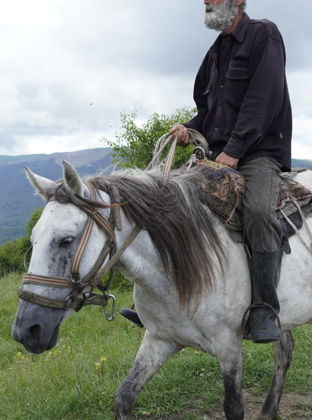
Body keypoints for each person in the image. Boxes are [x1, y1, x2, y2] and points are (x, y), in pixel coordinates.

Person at [121, 0, 292, 343]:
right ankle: (162, 305)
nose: (206, 2)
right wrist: (187, 129)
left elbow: (263, 102)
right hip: (218, 155)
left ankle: (264, 309)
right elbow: (208, 113)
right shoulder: (216, 52)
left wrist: (234, 151)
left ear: (238, 2)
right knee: (164, 203)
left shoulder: (264, 35)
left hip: (259, 153)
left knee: (259, 213)